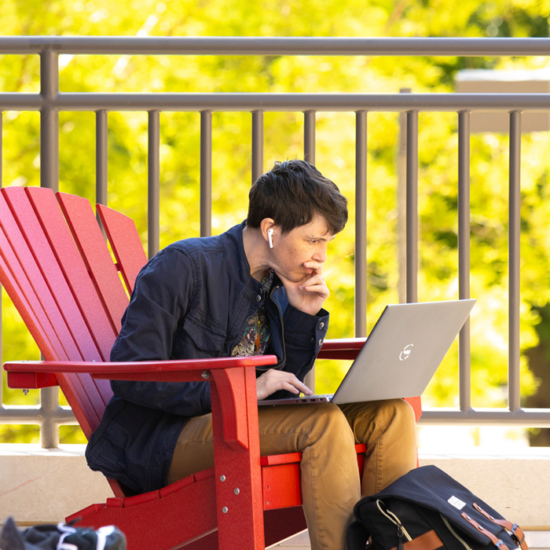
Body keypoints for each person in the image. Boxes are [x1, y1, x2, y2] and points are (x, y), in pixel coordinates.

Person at [86, 160, 417, 550]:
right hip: (164, 437)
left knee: (391, 414)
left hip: (242, 427)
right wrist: (244, 391)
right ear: (270, 229)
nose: (322, 256)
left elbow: (282, 388)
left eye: (326, 242)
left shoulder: (279, 282)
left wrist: (301, 316)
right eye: (313, 240)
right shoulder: (185, 266)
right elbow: (130, 372)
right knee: (323, 424)